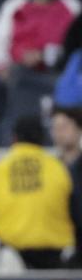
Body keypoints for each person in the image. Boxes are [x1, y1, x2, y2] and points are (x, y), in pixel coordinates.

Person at [0, 115, 74, 269]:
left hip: (11, 255)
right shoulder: (59, 168)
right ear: (42, 138)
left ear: (14, 138)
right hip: (56, 255)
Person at [50, 104, 82, 263]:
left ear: (78, 129)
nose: (59, 133)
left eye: (64, 127)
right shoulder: (49, 167)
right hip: (58, 240)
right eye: (55, 128)